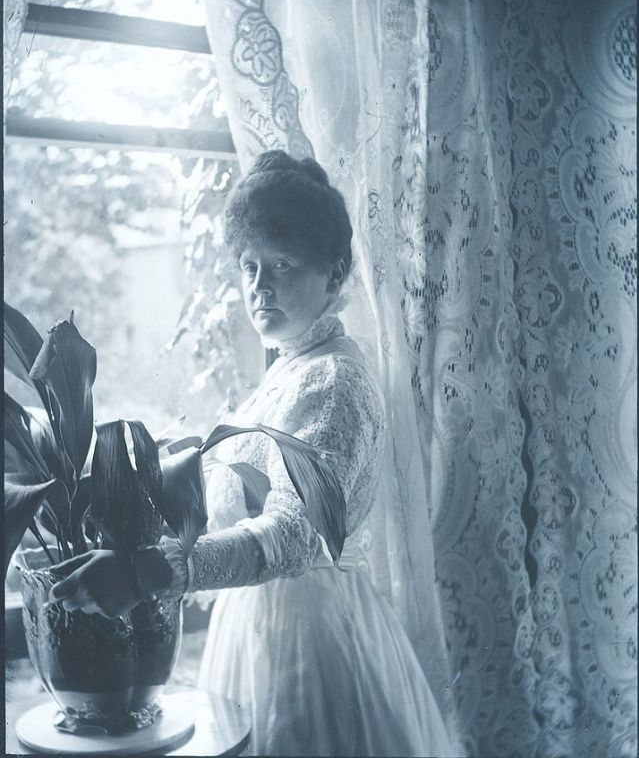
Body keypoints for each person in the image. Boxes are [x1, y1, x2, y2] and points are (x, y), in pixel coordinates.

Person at [49, 150, 457, 757]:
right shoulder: (290, 371)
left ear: (335, 273)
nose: (259, 286)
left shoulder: (333, 382)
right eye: (249, 266)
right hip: (260, 629)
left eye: (283, 265)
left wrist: (146, 575)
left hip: (312, 642)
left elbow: (295, 536)